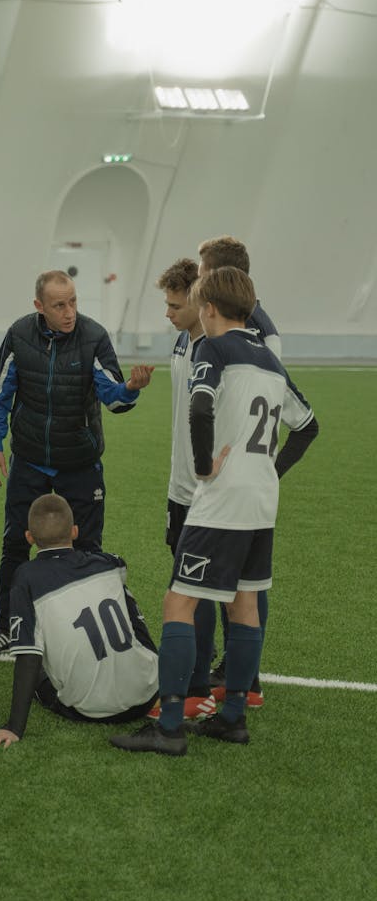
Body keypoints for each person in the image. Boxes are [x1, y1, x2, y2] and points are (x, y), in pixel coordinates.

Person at [111, 268, 319, 756]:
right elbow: (307, 426)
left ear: (207, 308)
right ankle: (232, 719)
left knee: (178, 603)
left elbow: (199, 408)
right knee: (244, 605)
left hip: (221, 503)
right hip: (261, 504)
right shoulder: (269, 359)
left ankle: (167, 727)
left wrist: (204, 467)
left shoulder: (214, 348)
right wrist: (270, 468)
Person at [0, 269, 153, 657]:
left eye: (73, 301)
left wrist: (131, 390)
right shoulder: (20, 335)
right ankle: (8, 626)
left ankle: (81, 634)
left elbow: (113, 397)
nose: (69, 311)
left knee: (87, 548)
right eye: (59, 305)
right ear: (40, 307)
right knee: (15, 544)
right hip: (31, 459)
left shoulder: (94, 337)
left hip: (80, 462)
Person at [0, 494, 158, 747]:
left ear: (29, 537)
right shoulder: (110, 563)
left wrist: (14, 727)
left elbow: (28, 657)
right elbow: (139, 626)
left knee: (38, 666)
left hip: (89, 709)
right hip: (149, 694)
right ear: (74, 531)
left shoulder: (26, 577)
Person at [197, 234, 281, 702]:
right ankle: (236, 678)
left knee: (242, 584)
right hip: (238, 472)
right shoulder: (219, 323)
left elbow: (269, 390)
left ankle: (240, 675)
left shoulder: (252, 330)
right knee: (244, 582)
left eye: (202, 268)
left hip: (233, 474)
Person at [150, 257, 216, 721]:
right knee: (187, 581)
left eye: (175, 305)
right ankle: (200, 681)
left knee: (196, 588)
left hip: (207, 491)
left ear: (198, 302)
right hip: (179, 487)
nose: (169, 313)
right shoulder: (180, 342)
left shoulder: (216, 349)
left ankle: (197, 688)